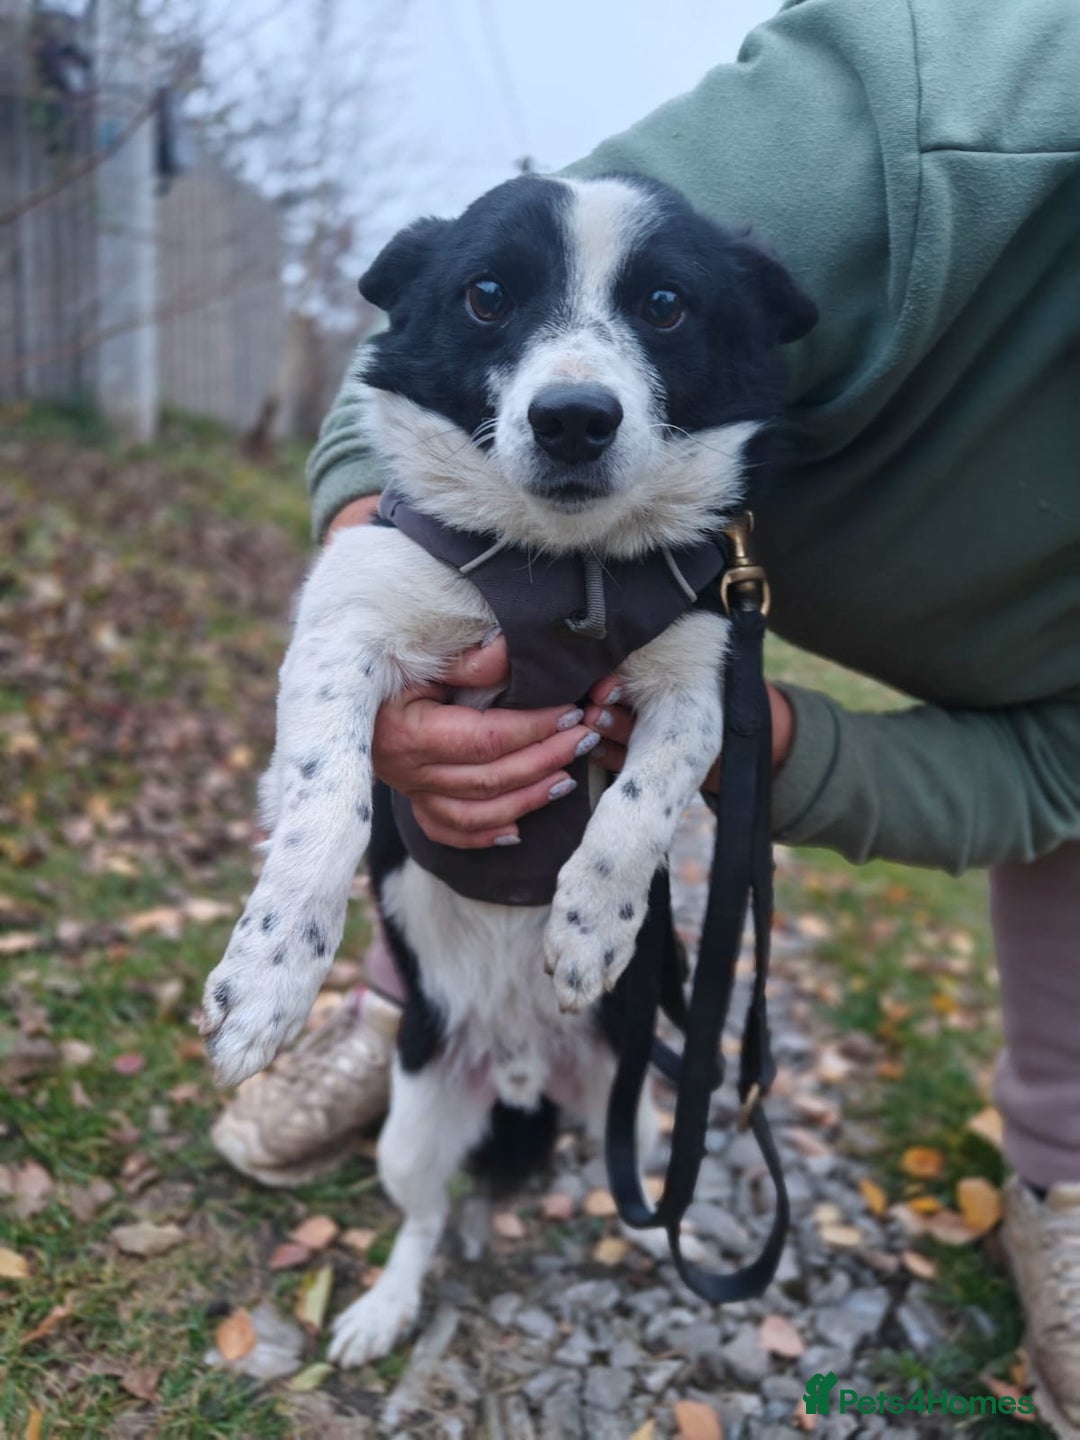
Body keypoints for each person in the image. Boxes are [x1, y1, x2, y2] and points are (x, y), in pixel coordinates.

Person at [213, 0, 1080, 1427]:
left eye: (654, 312)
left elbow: (1056, 776)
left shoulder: (685, 484)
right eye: (507, 305)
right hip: (449, 917)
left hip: (656, 811)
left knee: (627, 1025)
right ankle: (396, 1072)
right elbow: (368, 511)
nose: (578, 374)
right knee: (427, 1071)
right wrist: (360, 730)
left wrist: (742, 764)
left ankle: (1045, 1168)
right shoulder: (927, 111)